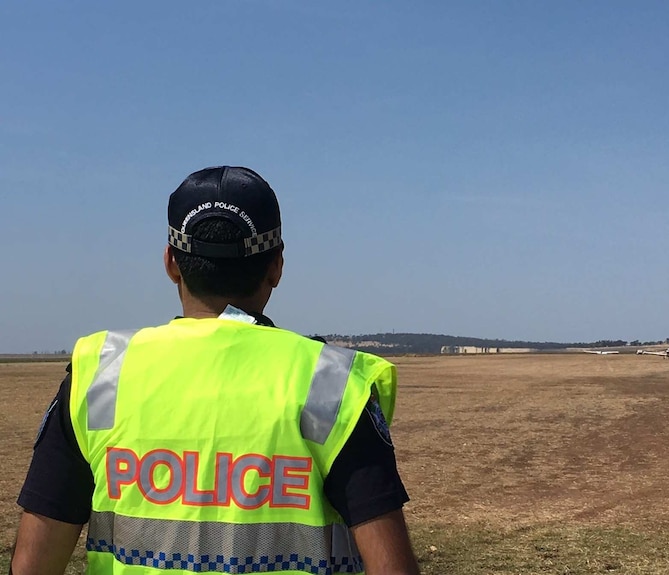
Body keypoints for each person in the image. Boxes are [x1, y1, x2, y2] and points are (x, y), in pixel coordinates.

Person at [10, 166, 420, 575]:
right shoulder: (330, 382)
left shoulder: (102, 373)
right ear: (276, 266)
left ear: (171, 263)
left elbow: (34, 564)